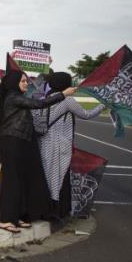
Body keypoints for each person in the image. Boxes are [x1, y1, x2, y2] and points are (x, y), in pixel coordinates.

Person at [0, 70, 77, 233]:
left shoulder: (17, 97)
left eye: (26, 81)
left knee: (21, 182)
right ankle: (6, 219)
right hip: (12, 143)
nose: (26, 83)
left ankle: (17, 216)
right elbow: (39, 104)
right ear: (14, 83)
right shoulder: (13, 97)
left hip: (20, 143)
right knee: (11, 182)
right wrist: (62, 95)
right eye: (23, 81)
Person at [33, 72, 105, 220]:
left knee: (47, 176)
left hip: (45, 142)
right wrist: (102, 106)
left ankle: (42, 208)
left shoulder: (47, 98)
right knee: (57, 177)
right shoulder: (67, 100)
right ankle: (52, 212)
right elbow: (86, 114)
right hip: (59, 143)